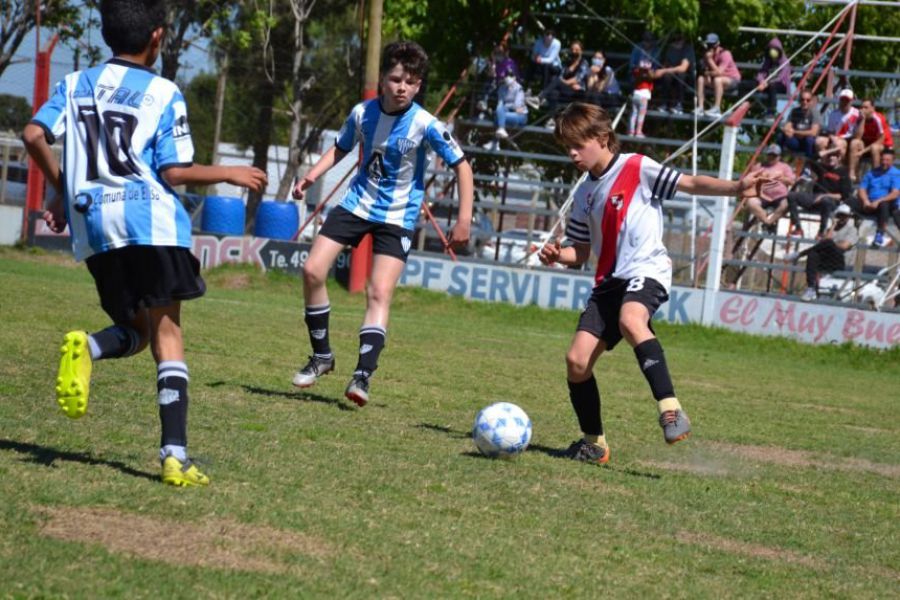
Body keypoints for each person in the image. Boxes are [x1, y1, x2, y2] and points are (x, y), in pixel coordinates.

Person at [21, 0, 268, 486]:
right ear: (157, 38)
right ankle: (174, 455)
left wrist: (64, 192)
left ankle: (89, 346)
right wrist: (229, 172)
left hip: (96, 225)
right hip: (150, 221)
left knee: (135, 330)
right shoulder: (164, 91)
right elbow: (173, 172)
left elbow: (32, 135)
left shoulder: (75, 84)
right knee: (168, 335)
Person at [537, 102, 765, 464]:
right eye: (567, 146)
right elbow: (579, 251)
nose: (572, 153)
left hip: (647, 270)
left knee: (632, 320)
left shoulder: (636, 167)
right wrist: (556, 255)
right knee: (576, 362)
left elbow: (690, 183)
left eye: (577, 145)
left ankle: (671, 408)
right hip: (609, 283)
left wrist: (737, 186)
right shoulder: (584, 193)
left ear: (601, 137)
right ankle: (594, 443)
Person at [291, 41, 474, 406]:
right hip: (357, 204)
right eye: (395, 79)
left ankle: (362, 376)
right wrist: (312, 176)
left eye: (411, 81)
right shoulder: (362, 113)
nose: (402, 87)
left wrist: (464, 217)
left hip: (398, 215)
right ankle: (322, 356)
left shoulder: (426, 124)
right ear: (384, 80)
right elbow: (342, 147)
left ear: (419, 85)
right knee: (312, 270)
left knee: (378, 292)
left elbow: (462, 165)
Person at [787, 204, 859, 301]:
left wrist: (832, 243)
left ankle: (800, 254)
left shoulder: (852, 230)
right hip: (826, 259)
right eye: (840, 215)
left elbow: (844, 246)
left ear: (848, 217)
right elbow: (823, 243)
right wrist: (833, 226)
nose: (842, 218)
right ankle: (811, 288)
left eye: (845, 216)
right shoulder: (830, 229)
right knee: (813, 255)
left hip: (840, 261)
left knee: (828, 242)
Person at [786, 151, 851, 238]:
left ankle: (821, 232)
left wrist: (824, 196)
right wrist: (832, 149)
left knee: (826, 201)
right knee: (791, 195)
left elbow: (843, 196)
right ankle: (798, 228)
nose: (831, 158)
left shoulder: (844, 172)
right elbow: (810, 159)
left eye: (834, 156)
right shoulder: (822, 167)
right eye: (829, 156)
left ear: (839, 158)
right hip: (815, 198)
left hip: (831, 202)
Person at [847, 148, 900, 248]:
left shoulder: (897, 174)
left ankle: (879, 235)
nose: (884, 162)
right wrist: (866, 201)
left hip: (887, 205)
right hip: (869, 204)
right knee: (848, 201)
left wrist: (878, 201)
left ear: (893, 161)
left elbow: (895, 194)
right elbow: (862, 189)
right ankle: (844, 230)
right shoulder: (871, 173)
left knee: (883, 204)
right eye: (883, 160)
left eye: (887, 160)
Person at [534, 40, 589, 127]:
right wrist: (571, 68)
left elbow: (578, 79)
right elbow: (562, 75)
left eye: (577, 50)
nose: (574, 52)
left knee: (556, 81)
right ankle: (552, 119)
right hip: (566, 90)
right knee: (554, 92)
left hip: (578, 93)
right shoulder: (568, 63)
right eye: (572, 49)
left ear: (581, 51)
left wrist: (563, 82)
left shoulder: (584, 63)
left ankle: (540, 98)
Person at [744, 144, 796, 230]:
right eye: (770, 155)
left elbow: (792, 181)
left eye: (774, 156)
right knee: (750, 202)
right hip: (762, 196)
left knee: (786, 204)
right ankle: (767, 221)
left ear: (779, 156)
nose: (771, 157)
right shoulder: (759, 166)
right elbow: (750, 179)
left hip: (779, 197)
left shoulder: (785, 167)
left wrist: (779, 177)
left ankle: (770, 221)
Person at [849, 98, 894, 182]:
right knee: (854, 143)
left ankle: (876, 177)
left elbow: (881, 140)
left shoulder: (878, 118)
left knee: (874, 148)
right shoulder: (859, 118)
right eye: (862, 107)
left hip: (884, 145)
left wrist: (862, 152)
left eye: (866, 107)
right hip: (867, 145)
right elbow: (858, 137)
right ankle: (852, 175)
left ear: (873, 108)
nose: (863, 109)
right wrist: (863, 120)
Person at [696, 33, 741, 117]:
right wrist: (706, 72)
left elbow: (719, 72)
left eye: (712, 44)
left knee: (718, 80)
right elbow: (706, 71)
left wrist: (709, 60)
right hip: (716, 78)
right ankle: (700, 107)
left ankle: (717, 108)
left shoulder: (725, 54)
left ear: (717, 44)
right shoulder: (707, 54)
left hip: (731, 79)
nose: (710, 47)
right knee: (701, 79)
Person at [655, 31, 696, 115]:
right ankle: (664, 103)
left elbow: (683, 68)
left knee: (680, 75)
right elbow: (666, 64)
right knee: (666, 76)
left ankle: (679, 105)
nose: (677, 42)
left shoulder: (688, 49)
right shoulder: (670, 49)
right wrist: (663, 70)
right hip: (672, 75)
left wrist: (664, 70)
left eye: (679, 39)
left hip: (686, 77)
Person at [815, 88, 860, 164]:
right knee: (819, 141)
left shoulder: (857, 114)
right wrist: (833, 138)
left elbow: (857, 134)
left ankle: (838, 165)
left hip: (848, 139)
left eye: (847, 100)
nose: (844, 102)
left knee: (839, 144)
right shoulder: (833, 114)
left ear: (851, 101)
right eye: (842, 100)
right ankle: (823, 164)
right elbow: (830, 131)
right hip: (835, 137)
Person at [755, 38, 791, 121]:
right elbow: (762, 72)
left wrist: (767, 83)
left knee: (772, 86)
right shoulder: (768, 60)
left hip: (781, 85)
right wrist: (761, 81)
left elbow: (781, 77)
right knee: (753, 84)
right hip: (767, 84)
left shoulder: (785, 61)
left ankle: (771, 112)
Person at [778, 90, 821, 159]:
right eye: (802, 99)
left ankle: (809, 163)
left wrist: (794, 132)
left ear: (811, 101)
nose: (805, 102)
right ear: (799, 100)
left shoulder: (815, 113)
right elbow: (787, 127)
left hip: (807, 143)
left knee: (809, 140)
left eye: (808, 100)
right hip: (795, 141)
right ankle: (778, 160)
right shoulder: (794, 111)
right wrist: (787, 131)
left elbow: (813, 132)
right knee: (781, 136)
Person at [494, 73, 528, 140]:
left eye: (510, 76)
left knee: (499, 117)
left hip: (521, 116)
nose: (507, 78)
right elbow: (500, 103)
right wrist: (505, 108)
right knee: (499, 113)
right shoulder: (501, 88)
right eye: (505, 76)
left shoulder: (519, 88)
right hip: (507, 112)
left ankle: (495, 141)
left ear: (514, 77)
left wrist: (505, 106)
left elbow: (517, 105)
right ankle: (501, 129)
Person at [628, 59, 654, 138]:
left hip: (636, 95)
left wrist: (645, 69)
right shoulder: (639, 73)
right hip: (643, 97)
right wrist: (645, 69)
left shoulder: (638, 72)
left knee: (634, 113)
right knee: (640, 115)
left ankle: (631, 131)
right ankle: (638, 131)